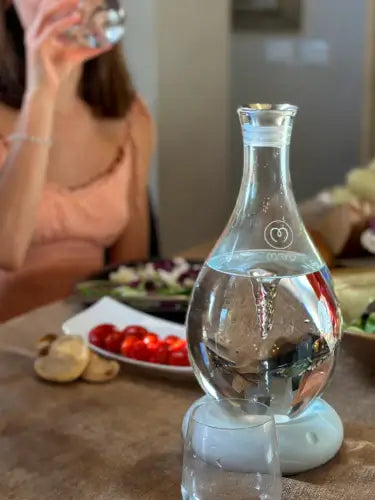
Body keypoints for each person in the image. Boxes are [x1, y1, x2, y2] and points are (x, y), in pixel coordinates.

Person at [0, 0, 154, 321]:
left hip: (94, 347)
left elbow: (131, 275)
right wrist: (42, 93)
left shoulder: (131, 119)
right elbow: (7, 249)